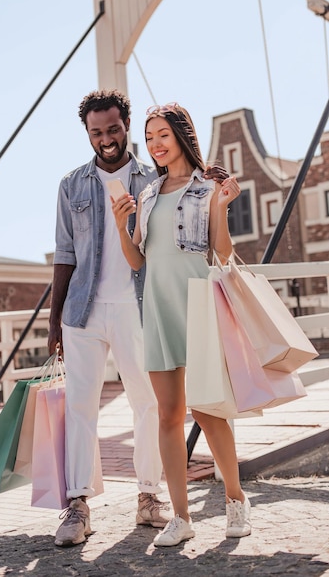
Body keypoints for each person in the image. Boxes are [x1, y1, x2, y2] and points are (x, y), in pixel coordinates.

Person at [48, 89, 227, 548]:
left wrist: (216, 185)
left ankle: (149, 496)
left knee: (148, 406)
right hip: (82, 310)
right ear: (86, 133)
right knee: (81, 408)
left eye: (113, 129)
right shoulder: (71, 184)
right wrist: (55, 322)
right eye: (96, 132)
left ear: (126, 126)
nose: (106, 139)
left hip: (138, 304)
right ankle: (78, 504)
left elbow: (192, 196)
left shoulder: (153, 178)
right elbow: (65, 255)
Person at [111, 102, 252, 547]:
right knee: (168, 417)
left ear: (180, 136)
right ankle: (182, 517)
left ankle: (235, 501)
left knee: (209, 413)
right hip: (156, 309)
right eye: (149, 137)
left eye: (161, 136)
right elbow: (139, 260)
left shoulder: (206, 188)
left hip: (197, 306)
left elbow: (223, 254)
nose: (154, 145)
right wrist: (121, 226)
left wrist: (224, 207)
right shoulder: (149, 194)